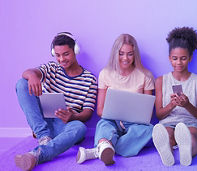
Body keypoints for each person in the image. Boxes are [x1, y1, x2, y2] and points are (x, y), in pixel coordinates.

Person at [14, 32, 98, 170]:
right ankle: (44, 137)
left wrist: (73, 116)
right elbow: (28, 73)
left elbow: (88, 113)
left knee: (80, 128)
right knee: (22, 83)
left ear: (75, 50)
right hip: (43, 121)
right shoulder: (52, 68)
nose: (61, 59)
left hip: (65, 125)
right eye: (58, 55)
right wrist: (32, 76)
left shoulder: (90, 79)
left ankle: (36, 155)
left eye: (66, 54)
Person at [76, 34, 155, 165]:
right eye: (121, 53)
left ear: (135, 55)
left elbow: (148, 114)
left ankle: (99, 150)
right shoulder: (105, 73)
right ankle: (107, 147)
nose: (125, 58)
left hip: (135, 123)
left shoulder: (145, 75)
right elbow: (100, 111)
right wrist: (117, 113)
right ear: (115, 53)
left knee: (150, 130)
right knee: (103, 124)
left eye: (130, 54)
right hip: (112, 120)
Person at [152, 27, 197, 167]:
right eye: (175, 58)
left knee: (190, 137)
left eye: (183, 58)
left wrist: (187, 105)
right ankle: (167, 152)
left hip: (192, 122)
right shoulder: (161, 81)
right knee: (167, 136)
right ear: (169, 58)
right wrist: (172, 105)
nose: (179, 62)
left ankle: (187, 152)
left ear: (190, 58)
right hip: (168, 121)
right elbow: (159, 115)